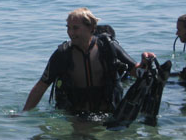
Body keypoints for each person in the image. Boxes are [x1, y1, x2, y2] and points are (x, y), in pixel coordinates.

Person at [23, 7, 154, 114]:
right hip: (76, 115)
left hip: (108, 113)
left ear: (91, 27)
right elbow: (41, 87)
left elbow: (135, 71)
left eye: (75, 28)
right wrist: (24, 113)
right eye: (68, 27)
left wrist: (145, 62)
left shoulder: (107, 47)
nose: (70, 33)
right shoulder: (62, 54)